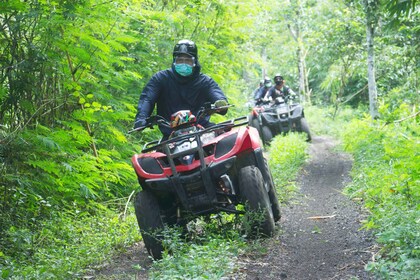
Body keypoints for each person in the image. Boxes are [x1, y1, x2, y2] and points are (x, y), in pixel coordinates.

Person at [134, 39, 228, 139]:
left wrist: (220, 105)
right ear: (174, 61)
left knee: (226, 141)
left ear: (194, 61)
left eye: (188, 60)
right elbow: (148, 98)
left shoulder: (205, 81)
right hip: (171, 136)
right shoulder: (160, 78)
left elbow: (218, 97)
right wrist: (141, 118)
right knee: (151, 155)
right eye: (180, 60)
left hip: (202, 132)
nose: (184, 64)